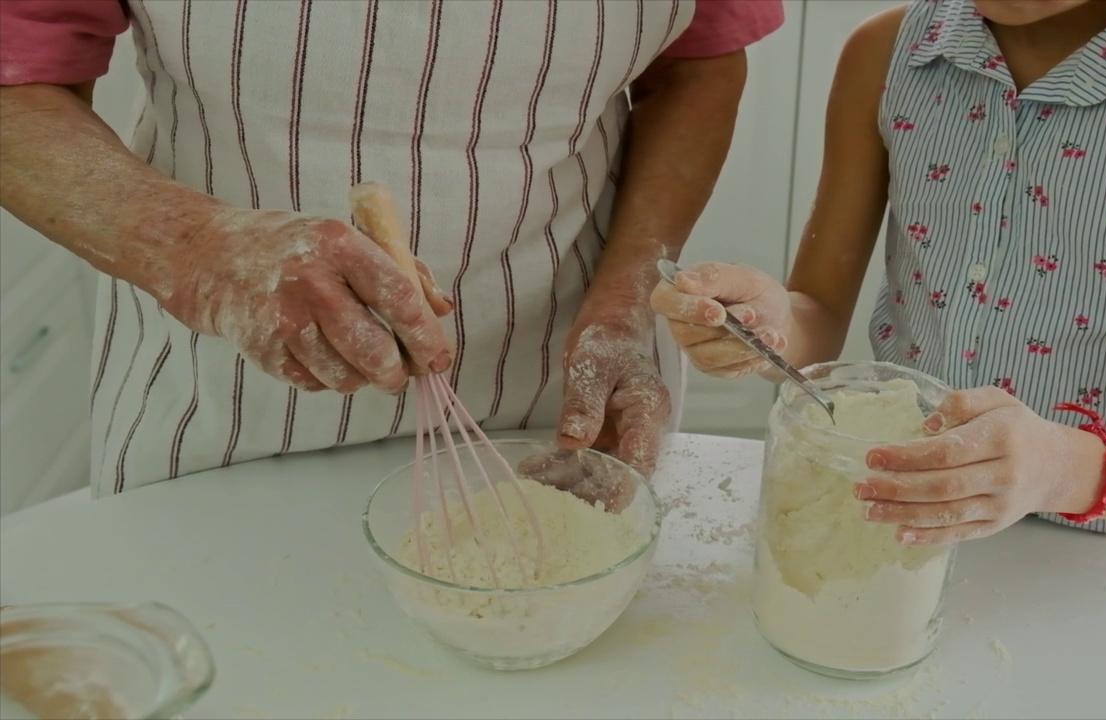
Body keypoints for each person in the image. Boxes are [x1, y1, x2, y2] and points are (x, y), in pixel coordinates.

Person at [0, 0, 784, 495]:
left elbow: (696, 67)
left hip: (559, 383)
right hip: (225, 398)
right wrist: (200, 248)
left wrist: (624, 302)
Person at [652, 0, 1106, 561]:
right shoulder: (888, 53)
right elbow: (814, 313)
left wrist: (1058, 469)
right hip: (908, 528)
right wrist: (766, 326)